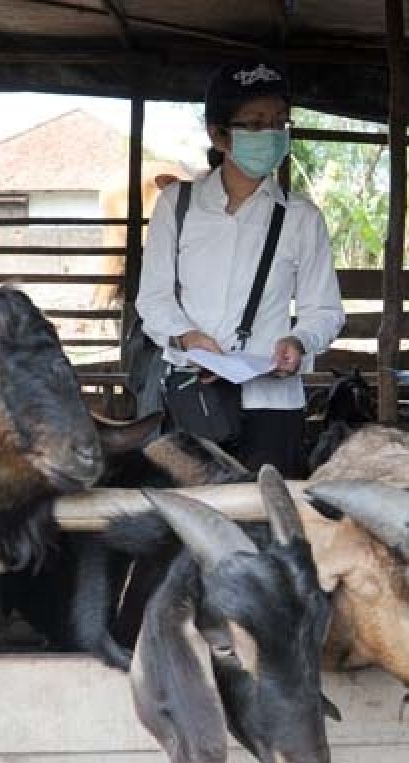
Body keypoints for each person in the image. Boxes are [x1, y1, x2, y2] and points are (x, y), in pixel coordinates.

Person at [135, 60, 344, 479]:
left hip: (273, 407)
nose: (270, 134)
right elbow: (153, 299)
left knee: (267, 525)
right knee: (191, 524)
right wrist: (189, 337)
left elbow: (325, 311)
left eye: (279, 123)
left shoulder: (301, 216)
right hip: (193, 399)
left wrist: (299, 341)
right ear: (218, 134)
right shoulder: (177, 205)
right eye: (254, 123)